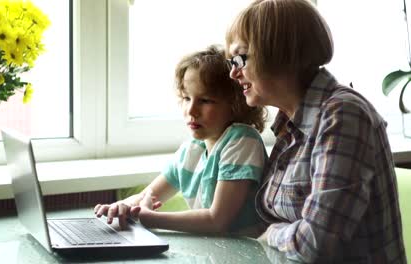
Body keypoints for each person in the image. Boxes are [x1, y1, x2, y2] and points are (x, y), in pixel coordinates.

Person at [225, 0, 407, 263]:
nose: (233, 73)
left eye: (240, 58)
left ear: (280, 52)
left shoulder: (343, 115)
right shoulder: (291, 120)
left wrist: (272, 232)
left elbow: (315, 244)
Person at [94, 45, 268, 235]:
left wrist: (149, 218)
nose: (191, 111)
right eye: (186, 98)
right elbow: (147, 196)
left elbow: (217, 221)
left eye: (205, 100)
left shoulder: (242, 140)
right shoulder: (192, 150)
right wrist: (120, 207)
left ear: (236, 104)